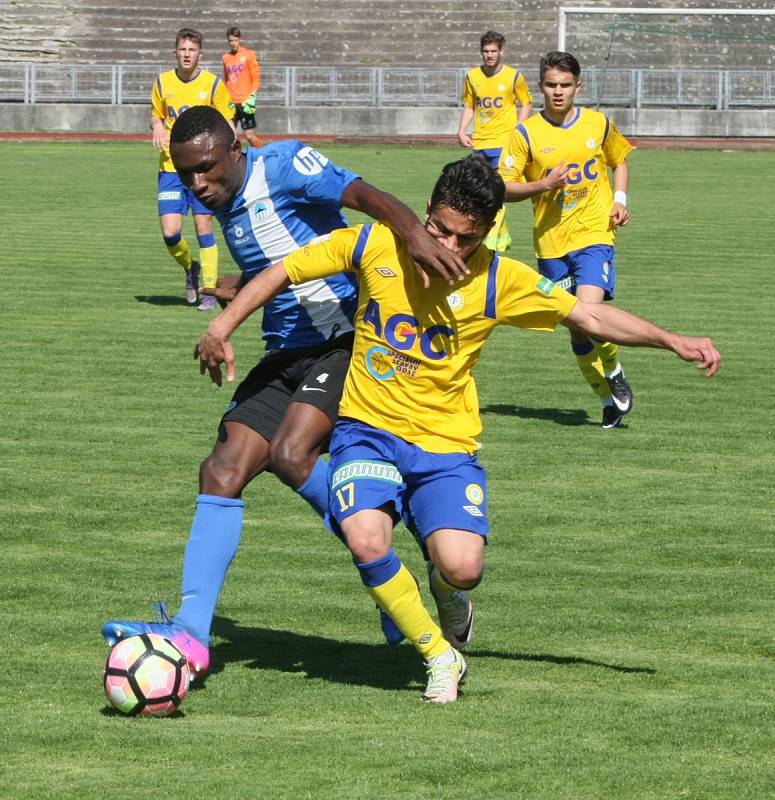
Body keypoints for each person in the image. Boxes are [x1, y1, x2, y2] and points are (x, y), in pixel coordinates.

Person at [192, 155, 720, 703]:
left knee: (464, 567)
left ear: (486, 232)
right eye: (437, 229)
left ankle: (445, 593)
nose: (443, 246)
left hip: (444, 442)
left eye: (461, 238)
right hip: (366, 429)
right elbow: (286, 269)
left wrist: (673, 341)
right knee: (365, 537)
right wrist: (222, 323)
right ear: (425, 211)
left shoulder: (499, 279)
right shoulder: (377, 245)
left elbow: (590, 317)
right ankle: (439, 656)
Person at [102, 106, 471, 677]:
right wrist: (241, 286)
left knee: (291, 452)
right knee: (221, 469)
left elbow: (364, 195)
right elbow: (284, 257)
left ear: (234, 150)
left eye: (206, 169)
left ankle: (387, 559)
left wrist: (416, 237)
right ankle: (192, 637)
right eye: (185, 174)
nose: (198, 184)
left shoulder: (284, 165)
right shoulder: (221, 198)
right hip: (286, 352)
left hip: (349, 341)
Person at [499, 50, 634, 428]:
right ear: (541, 86)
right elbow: (502, 187)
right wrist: (542, 184)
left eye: (565, 85)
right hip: (551, 245)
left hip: (594, 234)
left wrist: (619, 201)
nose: (558, 92)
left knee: (589, 314)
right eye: (551, 85)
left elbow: (619, 159)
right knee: (576, 326)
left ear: (579, 86)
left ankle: (613, 368)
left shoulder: (597, 123)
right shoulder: (525, 134)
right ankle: (607, 397)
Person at [152, 28, 233, 312]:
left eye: (192, 50)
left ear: (200, 53)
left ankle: (209, 291)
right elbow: (156, 114)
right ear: (175, 52)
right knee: (171, 233)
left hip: (202, 169)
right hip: (170, 168)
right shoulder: (163, 83)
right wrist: (158, 125)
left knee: (203, 226)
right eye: (182, 49)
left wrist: (227, 155)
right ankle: (190, 267)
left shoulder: (212, 85)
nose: (187, 54)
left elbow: (227, 122)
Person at [457, 30, 533, 252]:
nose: (489, 55)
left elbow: (526, 103)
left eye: (493, 51)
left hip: (503, 143)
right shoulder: (472, 77)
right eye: (485, 51)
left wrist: (518, 128)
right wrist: (462, 130)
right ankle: (501, 234)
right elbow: (470, 105)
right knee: (479, 189)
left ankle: (491, 237)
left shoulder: (513, 76)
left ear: (502, 51)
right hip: (480, 142)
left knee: (499, 189)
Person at [222, 26, 261, 148]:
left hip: (245, 102)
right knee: (228, 136)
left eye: (235, 40)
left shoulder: (249, 55)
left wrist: (253, 95)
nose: (233, 43)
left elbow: (255, 77)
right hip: (231, 103)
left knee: (249, 135)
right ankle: (233, 162)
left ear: (239, 39)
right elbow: (226, 79)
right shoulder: (225, 58)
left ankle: (263, 156)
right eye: (231, 41)